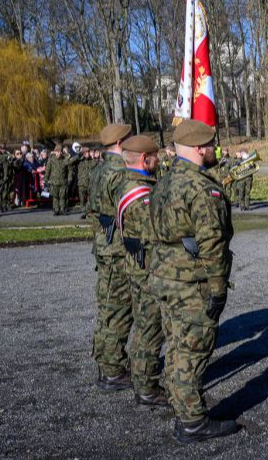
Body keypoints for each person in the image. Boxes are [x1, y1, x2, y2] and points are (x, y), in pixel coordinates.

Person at [147, 119, 240, 443]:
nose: (214, 149)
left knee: (175, 345)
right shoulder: (202, 189)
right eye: (211, 144)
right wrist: (217, 289)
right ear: (200, 148)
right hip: (191, 282)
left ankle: (180, 406)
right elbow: (212, 242)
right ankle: (192, 421)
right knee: (192, 350)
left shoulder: (163, 182)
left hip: (164, 278)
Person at [114, 134, 169, 408]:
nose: (158, 160)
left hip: (135, 267)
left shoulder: (128, 183)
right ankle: (147, 387)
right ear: (144, 159)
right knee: (150, 328)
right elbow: (157, 234)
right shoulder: (142, 195)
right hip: (147, 270)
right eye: (155, 156)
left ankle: (140, 377)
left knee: (143, 325)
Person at [87, 123, 134, 392]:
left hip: (104, 247)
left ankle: (107, 364)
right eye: (128, 139)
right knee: (119, 308)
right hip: (118, 250)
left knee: (107, 305)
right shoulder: (119, 173)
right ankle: (113, 370)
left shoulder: (99, 170)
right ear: (119, 143)